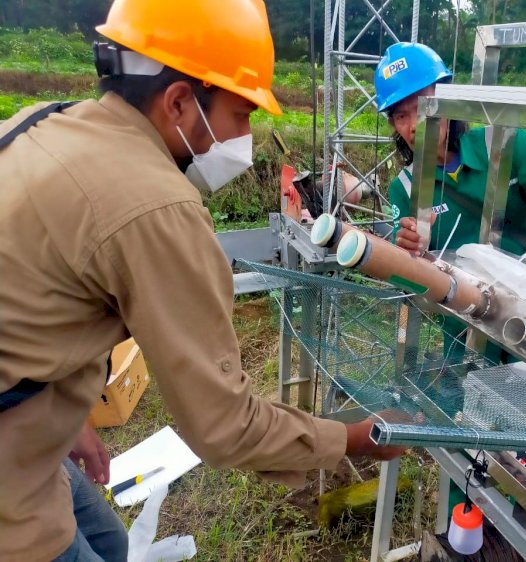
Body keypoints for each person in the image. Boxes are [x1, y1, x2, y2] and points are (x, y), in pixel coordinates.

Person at [0, 1, 400, 560]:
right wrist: (356, 439)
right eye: (240, 115)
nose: (244, 137)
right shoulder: (155, 206)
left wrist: (64, 416)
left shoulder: (43, 122)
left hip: (28, 419)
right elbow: (225, 425)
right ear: (181, 101)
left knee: (111, 543)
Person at [375, 42, 526, 363]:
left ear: (449, 100)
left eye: (423, 107)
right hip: (463, 322)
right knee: (470, 398)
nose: (413, 125)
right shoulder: (405, 188)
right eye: (401, 115)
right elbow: (406, 265)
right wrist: (410, 251)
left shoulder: (505, 146)